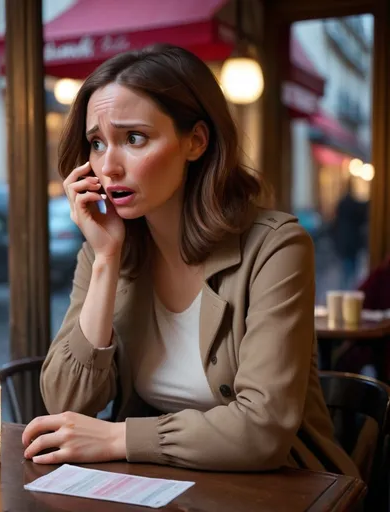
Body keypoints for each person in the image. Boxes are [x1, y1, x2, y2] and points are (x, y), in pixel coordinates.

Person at [22, 44, 358, 477]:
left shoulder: (276, 248)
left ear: (196, 141)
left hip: (282, 487)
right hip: (158, 485)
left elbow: (262, 429)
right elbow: (67, 402)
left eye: (134, 138)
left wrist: (115, 438)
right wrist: (106, 258)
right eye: (96, 143)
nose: (108, 166)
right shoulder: (106, 246)